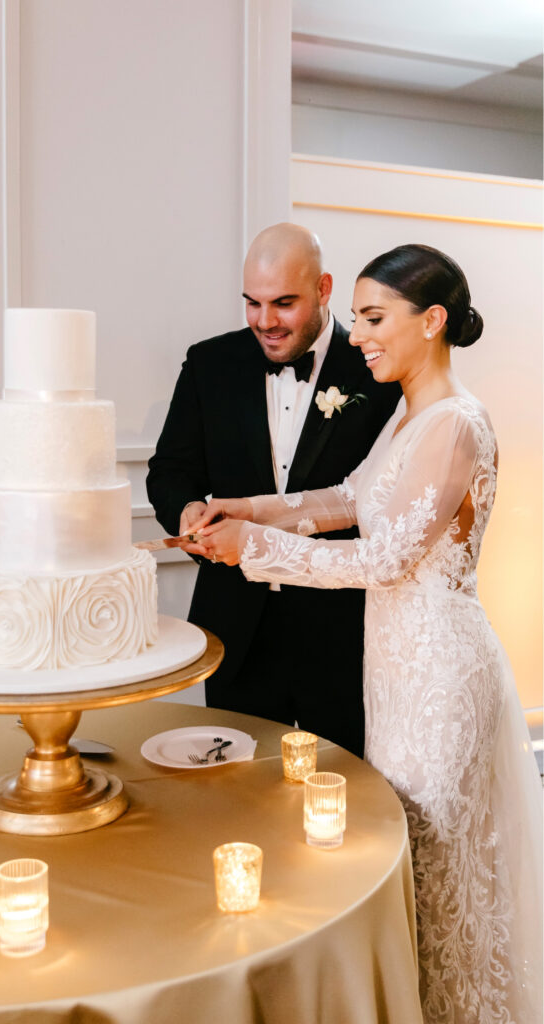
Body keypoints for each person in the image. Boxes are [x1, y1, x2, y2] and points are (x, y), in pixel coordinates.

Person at [187, 243, 543, 1024]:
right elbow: (346, 498)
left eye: (375, 319)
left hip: (439, 674)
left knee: (436, 862)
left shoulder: (454, 424)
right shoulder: (411, 417)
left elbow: (384, 560)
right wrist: (246, 508)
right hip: (393, 667)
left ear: (434, 320)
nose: (358, 337)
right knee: (410, 855)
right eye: (355, 319)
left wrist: (254, 550)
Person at [146, 223, 400, 756]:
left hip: (342, 633)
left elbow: (384, 502)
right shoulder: (209, 364)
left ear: (324, 289)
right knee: (239, 785)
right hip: (236, 626)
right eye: (252, 303)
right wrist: (189, 510)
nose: (266, 322)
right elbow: (168, 471)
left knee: (342, 789)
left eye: (284, 304)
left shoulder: (379, 367)